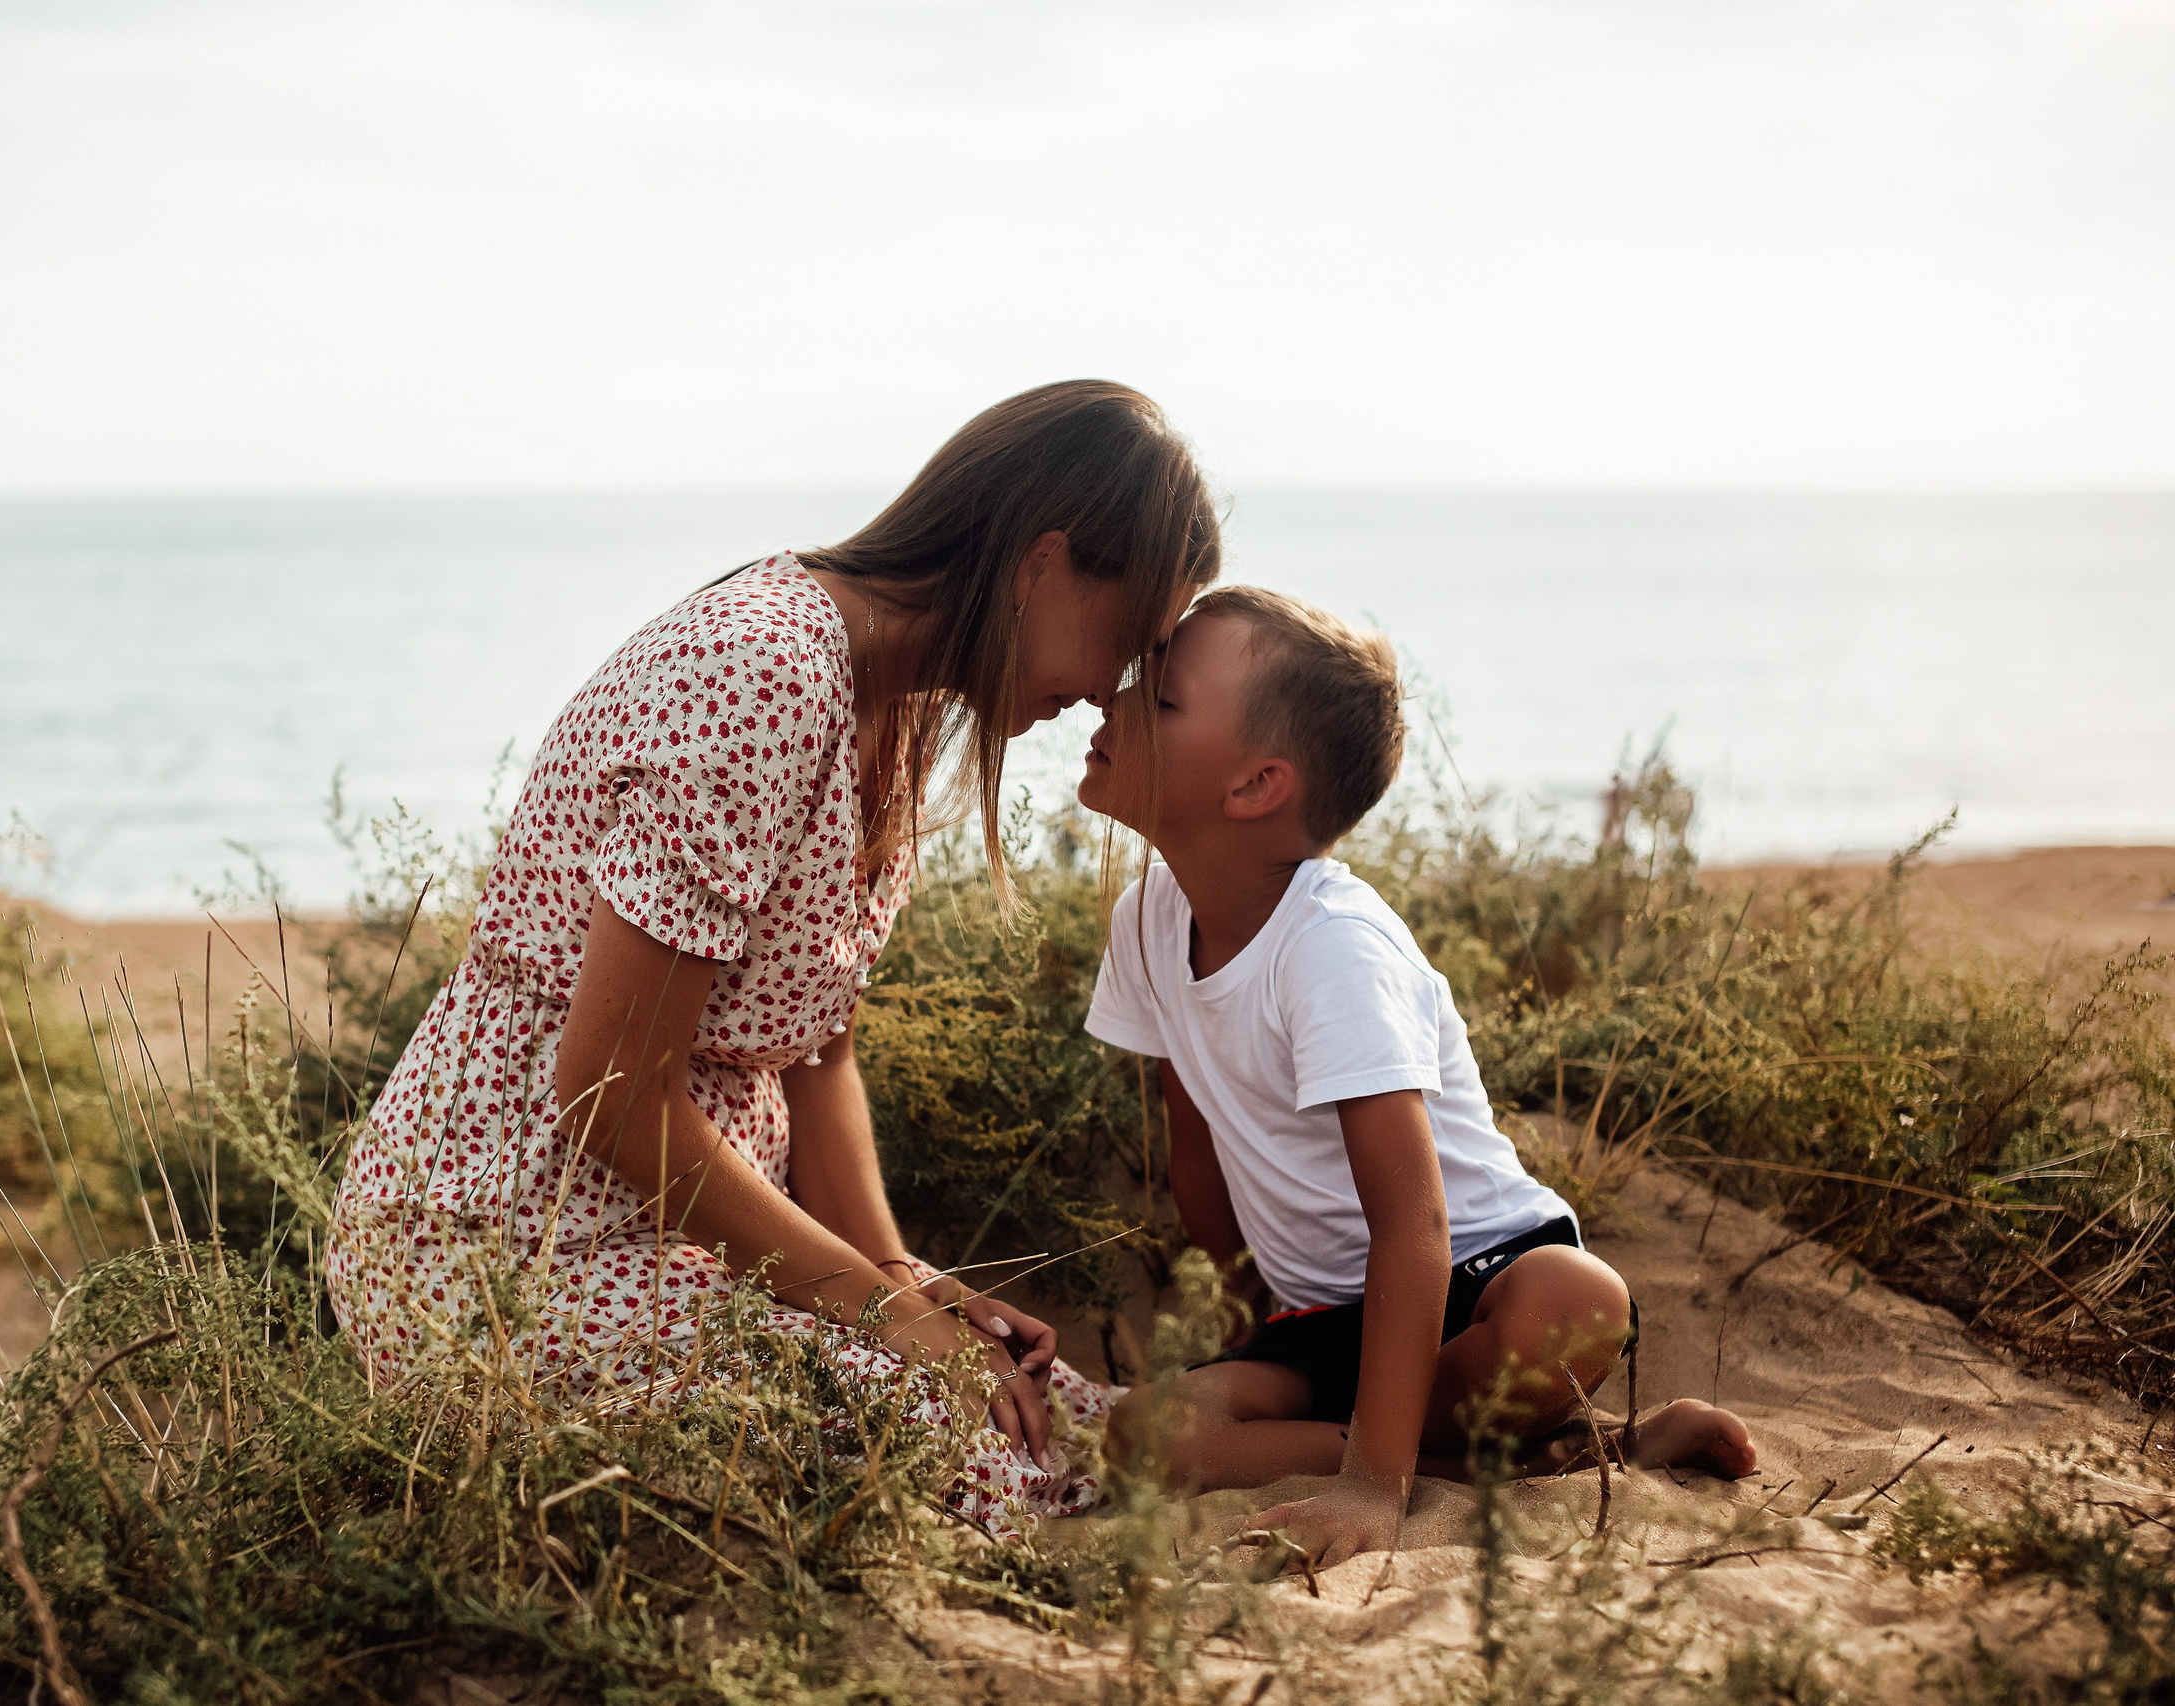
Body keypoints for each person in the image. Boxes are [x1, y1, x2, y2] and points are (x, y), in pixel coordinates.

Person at [325, 380, 1222, 1535]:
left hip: (670, 1234)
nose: (1111, 690)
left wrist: (896, 1277)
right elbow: (609, 1093)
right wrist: (886, 1320)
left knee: (1053, 1416)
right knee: (980, 1470)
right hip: (497, 1244)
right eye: (1126, 638)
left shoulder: (886, 696)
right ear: (1043, 562)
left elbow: (817, 1055)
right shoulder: (762, 671)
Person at [1078, 586, 1756, 1564]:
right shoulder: (1145, 919)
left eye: (1162, 696)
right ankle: (1577, 1452)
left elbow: (1414, 1225)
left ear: (1255, 784)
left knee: (1579, 1301)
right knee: (1135, 1433)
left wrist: (1369, 1489)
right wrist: (1241, 1335)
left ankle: (1410, 1452)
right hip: (1318, 1322)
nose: (1116, 696)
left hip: (1472, 1282)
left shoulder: (1334, 950)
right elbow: (1199, 1150)